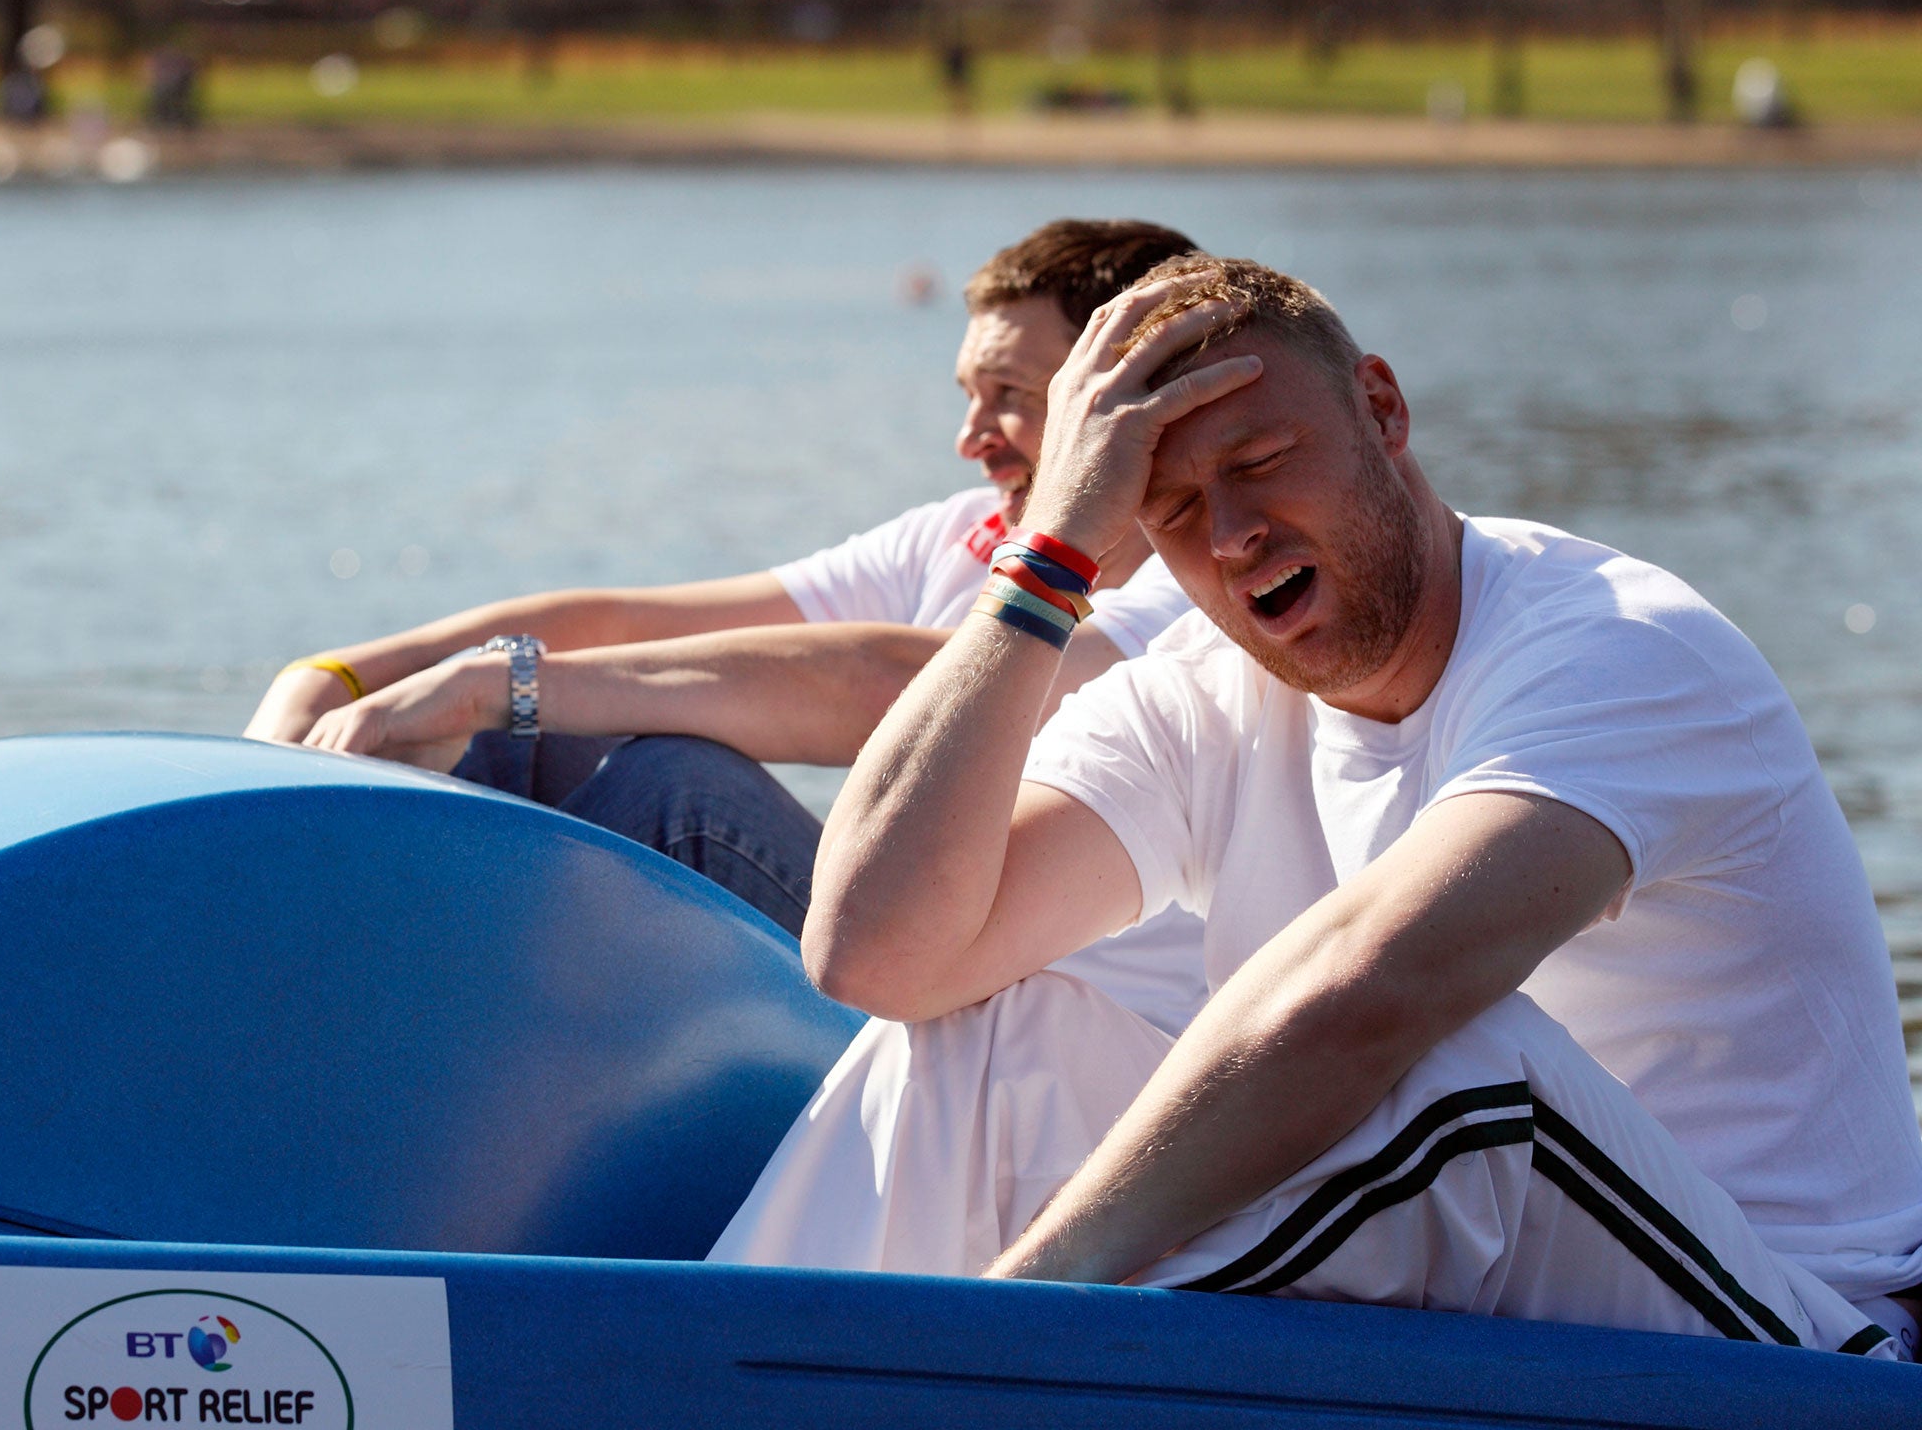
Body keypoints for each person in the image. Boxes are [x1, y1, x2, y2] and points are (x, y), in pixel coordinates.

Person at [708, 254, 1922, 1360]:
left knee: (1450, 1063)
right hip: (1517, 1302)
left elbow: (1367, 994)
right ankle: (731, 1378)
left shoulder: (1617, 648)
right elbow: (875, 953)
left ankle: (956, 1370)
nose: (1232, 535)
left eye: (1256, 464)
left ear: (1380, 412)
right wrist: (1046, 553)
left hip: (1789, 1342)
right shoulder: (1199, 693)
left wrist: (1021, 1306)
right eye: (1172, 509)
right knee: (996, 1019)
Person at [249, 219, 1211, 1034]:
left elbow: (882, 683)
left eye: (1011, 397)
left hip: (1026, 1013)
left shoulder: (1197, 587)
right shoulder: (966, 533)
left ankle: (400, 1038)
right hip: (890, 948)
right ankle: (298, 984)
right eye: (968, 393)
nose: (971, 436)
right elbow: (623, 620)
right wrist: (346, 672)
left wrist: (506, 681)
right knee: (514, 748)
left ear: (1120, 402)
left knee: (681, 794)